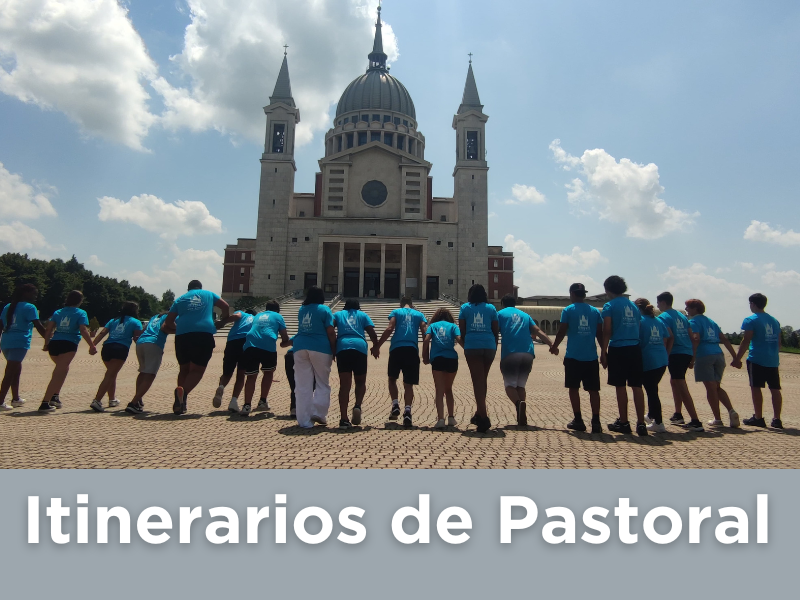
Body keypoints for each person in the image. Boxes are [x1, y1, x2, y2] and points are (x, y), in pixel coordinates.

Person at [163, 280, 229, 415]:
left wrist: (180, 328)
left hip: (182, 336)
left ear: (188, 289)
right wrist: (224, 319)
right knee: (197, 370)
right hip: (203, 333)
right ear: (200, 287)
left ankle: (180, 402)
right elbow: (225, 306)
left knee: (184, 369)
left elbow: (168, 322)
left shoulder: (180, 299)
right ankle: (183, 393)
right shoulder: (208, 294)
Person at [550, 283, 605, 433]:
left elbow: (562, 331)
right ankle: (596, 421)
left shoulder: (568, 310)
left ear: (572, 294)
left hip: (573, 356)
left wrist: (554, 346)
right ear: (584, 294)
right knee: (593, 390)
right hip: (591, 357)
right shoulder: (595, 312)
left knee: (573, 388)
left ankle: (578, 419)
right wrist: (604, 353)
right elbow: (600, 334)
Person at [497, 294, 555, 427]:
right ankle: (521, 415)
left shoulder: (500, 314)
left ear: (502, 304)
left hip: (511, 352)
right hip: (528, 352)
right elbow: (538, 330)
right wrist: (551, 344)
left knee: (510, 385)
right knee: (520, 385)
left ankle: (518, 405)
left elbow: (495, 331)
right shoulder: (525, 315)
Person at [601, 276, 647, 436]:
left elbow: (606, 329)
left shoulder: (609, 305)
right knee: (637, 386)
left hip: (618, 348)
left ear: (607, 289)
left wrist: (603, 351)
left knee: (620, 386)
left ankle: (624, 421)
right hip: (634, 348)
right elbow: (639, 325)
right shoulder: (634, 306)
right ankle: (641, 423)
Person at [685, 299, 742, 428]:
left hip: (704, 355)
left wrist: (692, 359)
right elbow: (725, 339)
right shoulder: (711, 322)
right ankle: (731, 410)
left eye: (688, 307)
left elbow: (696, 339)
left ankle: (718, 419)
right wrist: (735, 357)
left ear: (694, 309)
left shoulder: (693, 322)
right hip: (718, 354)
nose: (686, 310)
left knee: (710, 389)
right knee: (716, 387)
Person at [373, 296, 428, 427]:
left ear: (401, 304)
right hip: (412, 349)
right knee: (408, 384)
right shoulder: (419, 314)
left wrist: (377, 346)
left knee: (392, 379)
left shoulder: (396, 312)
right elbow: (425, 332)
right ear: (412, 304)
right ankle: (408, 412)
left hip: (397, 349)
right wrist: (426, 353)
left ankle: (395, 405)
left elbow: (389, 328)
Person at [39, 290, 97, 412]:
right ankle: (45, 402)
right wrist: (91, 345)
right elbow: (83, 330)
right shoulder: (81, 313)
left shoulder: (58, 312)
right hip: (69, 344)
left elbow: (49, 329)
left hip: (55, 343)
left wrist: (46, 343)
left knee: (63, 369)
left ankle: (55, 396)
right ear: (80, 301)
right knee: (58, 373)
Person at [656, 291, 703, 431]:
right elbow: (692, 337)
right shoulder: (682, 316)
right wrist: (693, 357)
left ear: (663, 302)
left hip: (676, 353)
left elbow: (669, 337)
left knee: (681, 384)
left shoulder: (663, 317)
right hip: (686, 352)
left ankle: (695, 420)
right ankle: (678, 414)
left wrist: (665, 355)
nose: (658, 305)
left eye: (658, 303)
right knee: (675, 381)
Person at [736, 293, 783, 428]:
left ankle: (758, 417)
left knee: (756, 388)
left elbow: (746, 340)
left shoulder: (751, 320)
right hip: (772, 359)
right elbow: (779, 342)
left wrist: (737, 358)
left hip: (756, 358)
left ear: (753, 304)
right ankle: (777, 419)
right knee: (775, 388)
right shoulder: (774, 320)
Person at [292, 286, 336, 428]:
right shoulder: (324, 310)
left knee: (302, 385)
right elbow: (330, 331)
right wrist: (334, 349)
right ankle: (319, 413)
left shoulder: (301, 309)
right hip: (320, 347)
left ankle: (304, 421)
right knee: (322, 382)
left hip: (299, 347)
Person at [459, 284, 499, 433]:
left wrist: (466, 343)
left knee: (477, 381)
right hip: (489, 346)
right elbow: (496, 330)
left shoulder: (465, 308)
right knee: (482, 380)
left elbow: (462, 330)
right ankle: (478, 413)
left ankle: (484, 417)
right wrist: (494, 345)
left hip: (472, 346)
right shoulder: (491, 308)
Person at [89, 302, 143, 412]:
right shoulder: (136, 322)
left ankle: (112, 399)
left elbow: (102, 333)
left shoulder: (113, 320)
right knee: (110, 374)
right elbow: (137, 338)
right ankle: (97, 400)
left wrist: (93, 345)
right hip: (120, 348)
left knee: (111, 374)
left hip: (107, 348)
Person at [0, 284, 46, 410]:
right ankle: (0, 401)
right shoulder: (30, 307)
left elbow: (0, 325)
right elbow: (38, 325)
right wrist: (48, 339)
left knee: (15, 371)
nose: (35, 296)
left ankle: (16, 398)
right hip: (19, 342)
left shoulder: (8, 307)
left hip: (6, 342)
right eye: (33, 293)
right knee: (10, 372)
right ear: (25, 293)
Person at [333, 299, 378, 428]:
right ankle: (357, 405)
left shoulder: (337, 314)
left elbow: (329, 328)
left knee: (344, 385)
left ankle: (343, 418)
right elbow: (372, 333)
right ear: (358, 307)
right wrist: (375, 347)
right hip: (360, 348)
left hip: (343, 347)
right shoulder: (363, 315)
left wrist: (332, 347)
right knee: (360, 381)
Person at [238, 301, 289, 417]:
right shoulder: (278, 316)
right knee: (268, 372)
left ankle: (246, 405)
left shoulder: (258, 315)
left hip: (250, 345)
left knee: (251, 376)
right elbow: (284, 335)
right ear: (277, 310)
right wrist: (285, 342)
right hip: (267, 345)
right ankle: (262, 401)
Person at [125, 311, 175, 414]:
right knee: (150, 374)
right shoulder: (170, 317)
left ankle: (138, 398)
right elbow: (165, 328)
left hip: (141, 342)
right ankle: (133, 403)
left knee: (143, 372)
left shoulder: (155, 317)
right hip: (154, 342)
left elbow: (144, 329)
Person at [635, 298, 673, 433]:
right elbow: (667, 337)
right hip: (661, 360)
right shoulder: (658, 321)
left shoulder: (639, 322)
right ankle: (652, 415)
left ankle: (658, 422)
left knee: (651, 391)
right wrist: (665, 353)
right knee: (652, 389)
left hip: (649, 360)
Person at [422, 307, 462, 429]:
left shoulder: (433, 326)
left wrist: (425, 357)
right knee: (448, 389)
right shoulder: (453, 326)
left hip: (438, 359)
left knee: (439, 390)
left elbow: (426, 340)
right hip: (451, 359)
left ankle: (440, 419)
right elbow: (459, 339)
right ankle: (451, 417)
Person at [212, 308, 256, 413]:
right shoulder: (255, 319)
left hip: (232, 342)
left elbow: (236, 316)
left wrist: (222, 322)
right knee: (241, 375)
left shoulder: (242, 313)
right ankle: (233, 401)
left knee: (227, 372)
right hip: (246, 342)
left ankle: (221, 386)